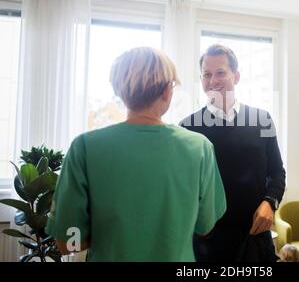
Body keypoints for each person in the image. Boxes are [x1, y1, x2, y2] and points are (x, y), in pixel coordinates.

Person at [45, 47, 226, 261]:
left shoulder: (84, 147)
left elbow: (68, 243)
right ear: (168, 91)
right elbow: (205, 226)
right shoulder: (199, 147)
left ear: (120, 90)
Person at [180, 44, 286, 262]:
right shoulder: (187, 128)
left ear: (236, 77)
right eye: (206, 74)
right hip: (207, 244)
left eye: (220, 73)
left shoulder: (262, 119)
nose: (213, 81)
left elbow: (277, 172)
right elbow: (181, 186)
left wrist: (270, 202)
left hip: (254, 238)